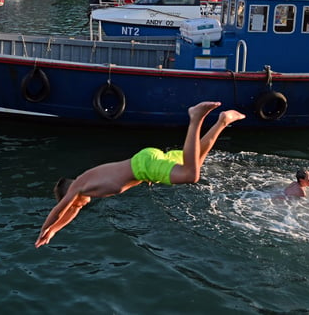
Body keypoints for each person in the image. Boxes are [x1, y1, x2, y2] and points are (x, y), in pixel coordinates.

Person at [35, 101, 245, 248]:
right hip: (146, 160)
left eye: (77, 204)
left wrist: (45, 231)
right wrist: (56, 231)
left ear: (71, 197)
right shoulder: (85, 182)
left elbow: (60, 211)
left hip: (144, 166)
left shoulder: (77, 187)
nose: (81, 206)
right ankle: (223, 122)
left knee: (191, 175)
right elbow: (71, 213)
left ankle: (195, 118)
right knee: (196, 159)